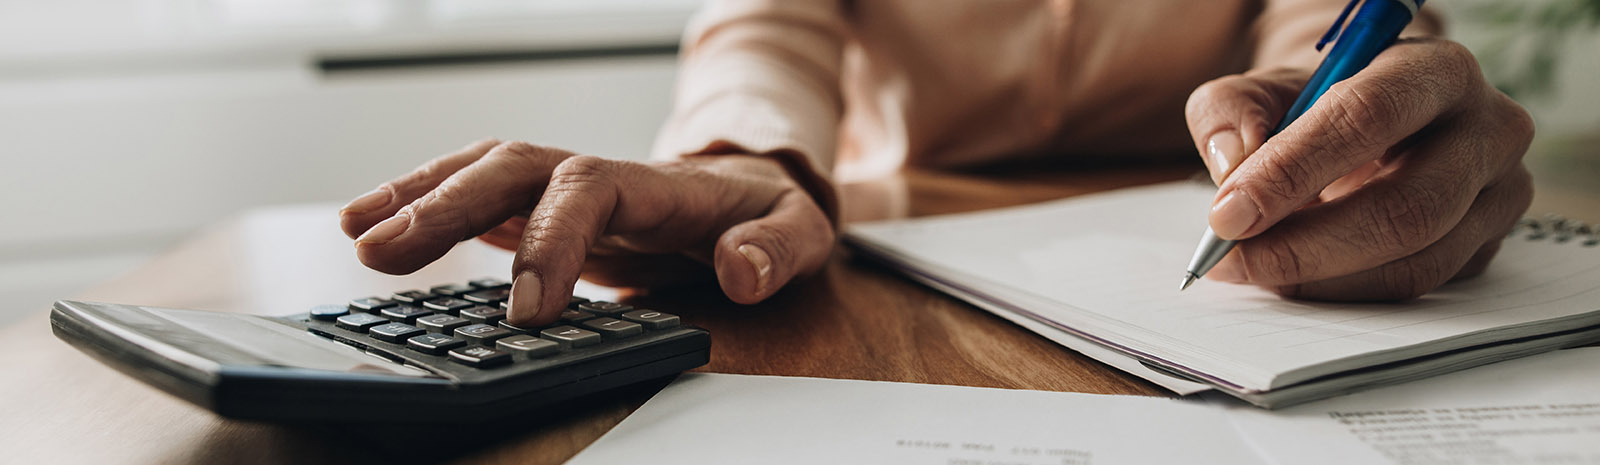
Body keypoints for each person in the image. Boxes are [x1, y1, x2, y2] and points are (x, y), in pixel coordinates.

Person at [337, 0, 1534, 328]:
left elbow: (1317, 47)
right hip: (898, 271)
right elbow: (763, 32)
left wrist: (1392, 114)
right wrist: (744, 158)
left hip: (1211, 263)